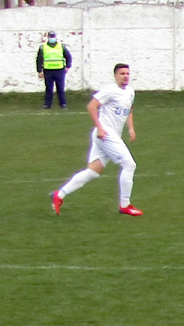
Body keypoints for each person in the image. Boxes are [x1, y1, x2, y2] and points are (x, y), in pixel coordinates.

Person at [52, 62, 141, 217]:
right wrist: (100, 127)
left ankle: (59, 195)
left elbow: (129, 110)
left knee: (93, 171)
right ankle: (125, 205)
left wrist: (131, 128)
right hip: (105, 134)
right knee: (129, 164)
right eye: (122, 74)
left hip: (110, 136)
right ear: (115, 76)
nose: (126, 76)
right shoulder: (110, 90)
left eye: (127, 73)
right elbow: (91, 106)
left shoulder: (130, 92)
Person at [35, 31, 71, 110]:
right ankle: (47, 104)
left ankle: (63, 104)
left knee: (60, 88)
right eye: (51, 37)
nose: (52, 38)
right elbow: (39, 59)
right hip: (48, 71)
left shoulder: (61, 46)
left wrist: (68, 66)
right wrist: (39, 70)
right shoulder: (43, 47)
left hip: (59, 70)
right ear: (48, 37)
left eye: (53, 37)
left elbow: (68, 56)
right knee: (49, 88)